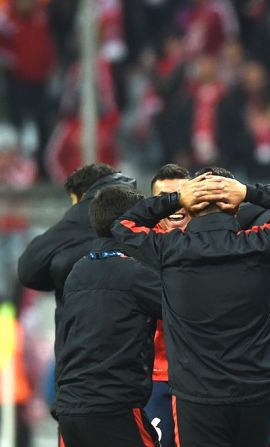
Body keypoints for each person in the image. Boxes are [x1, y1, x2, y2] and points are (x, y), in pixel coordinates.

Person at [111, 173, 270, 447]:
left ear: (189, 208)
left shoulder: (170, 249)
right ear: (235, 206)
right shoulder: (259, 244)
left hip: (198, 396)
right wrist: (249, 190)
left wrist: (174, 199)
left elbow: (122, 225)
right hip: (255, 391)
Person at [54, 187, 161, 447]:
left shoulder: (78, 271)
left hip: (70, 409)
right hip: (112, 408)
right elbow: (188, 310)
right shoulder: (135, 274)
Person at [18, 163, 136, 304]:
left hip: (80, 321)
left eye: (74, 201)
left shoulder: (75, 222)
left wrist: (60, 270)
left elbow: (28, 270)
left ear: (84, 197)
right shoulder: (142, 215)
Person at [143, 163, 191, 447]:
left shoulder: (219, 244)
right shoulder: (139, 249)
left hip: (204, 379)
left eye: (180, 196)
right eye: (165, 198)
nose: (174, 205)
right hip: (156, 377)